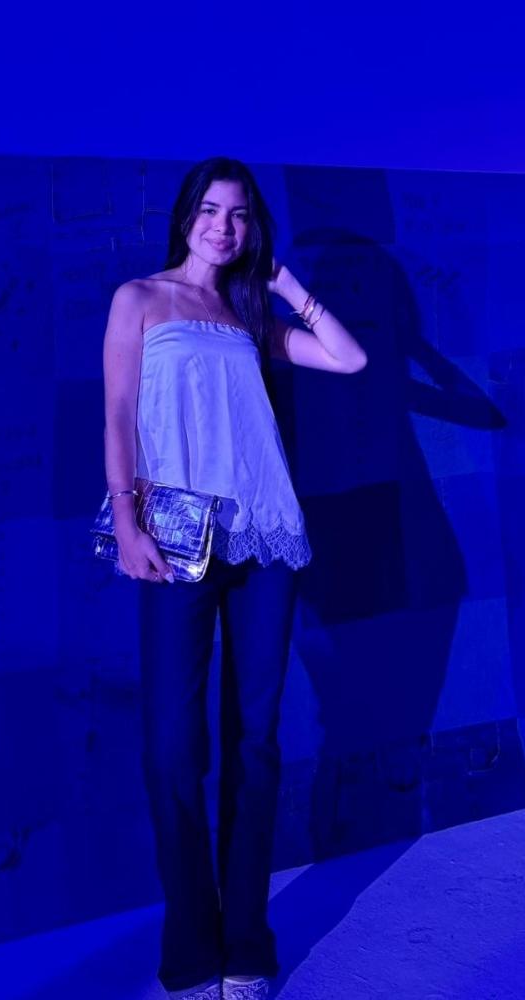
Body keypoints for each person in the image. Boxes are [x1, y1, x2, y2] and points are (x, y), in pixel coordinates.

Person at [101, 156, 367, 1000]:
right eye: (211, 210)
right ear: (186, 216)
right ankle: (190, 953)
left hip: (264, 536)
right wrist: (127, 521)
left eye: (240, 214)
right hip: (177, 538)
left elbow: (350, 358)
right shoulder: (140, 299)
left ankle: (247, 946)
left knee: (255, 743)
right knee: (172, 750)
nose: (224, 226)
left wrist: (284, 283)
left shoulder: (250, 312)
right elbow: (118, 413)